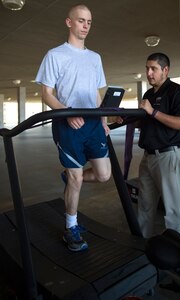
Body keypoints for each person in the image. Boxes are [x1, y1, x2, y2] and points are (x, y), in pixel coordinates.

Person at [35, 4, 111, 252]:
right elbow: (46, 93)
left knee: (103, 175)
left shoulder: (95, 57)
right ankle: (71, 227)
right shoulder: (55, 55)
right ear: (69, 23)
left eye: (89, 22)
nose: (85, 26)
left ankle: (70, 178)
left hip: (92, 124)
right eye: (81, 21)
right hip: (68, 125)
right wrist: (66, 113)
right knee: (76, 178)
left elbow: (97, 94)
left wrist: (103, 121)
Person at [137, 53, 180, 238]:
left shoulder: (177, 92)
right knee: (144, 204)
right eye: (147, 68)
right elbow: (146, 122)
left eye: (154, 69)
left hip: (168, 156)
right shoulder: (148, 94)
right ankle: (143, 245)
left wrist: (152, 112)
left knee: (172, 208)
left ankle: (176, 251)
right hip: (148, 156)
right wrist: (129, 120)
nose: (149, 73)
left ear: (165, 70)